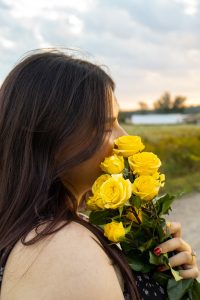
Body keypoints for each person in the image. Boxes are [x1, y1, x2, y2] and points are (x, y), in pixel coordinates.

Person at [0, 50, 199, 300]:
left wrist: (175, 279)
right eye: (107, 126)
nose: (124, 138)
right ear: (52, 137)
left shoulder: (50, 231)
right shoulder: (62, 248)